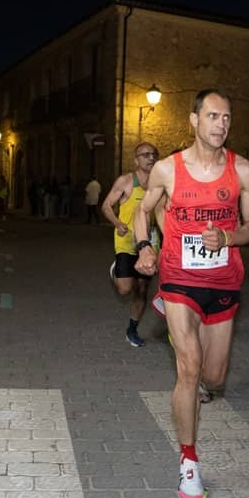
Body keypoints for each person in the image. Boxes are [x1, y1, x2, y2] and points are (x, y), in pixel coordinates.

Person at [133, 89, 249, 498]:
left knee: (213, 377)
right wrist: (146, 248)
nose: (220, 124)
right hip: (178, 278)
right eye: (212, 116)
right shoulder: (167, 169)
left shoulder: (244, 171)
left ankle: (196, 359)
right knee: (189, 368)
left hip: (223, 281)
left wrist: (227, 237)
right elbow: (142, 210)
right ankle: (189, 463)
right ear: (194, 120)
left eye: (226, 117)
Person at [102, 142, 161, 347]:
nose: (151, 158)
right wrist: (117, 223)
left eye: (154, 154)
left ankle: (132, 330)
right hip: (126, 240)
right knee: (125, 289)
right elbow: (106, 205)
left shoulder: (159, 184)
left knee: (142, 289)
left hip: (149, 242)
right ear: (136, 160)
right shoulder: (126, 181)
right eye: (145, 155)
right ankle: (116, 272)